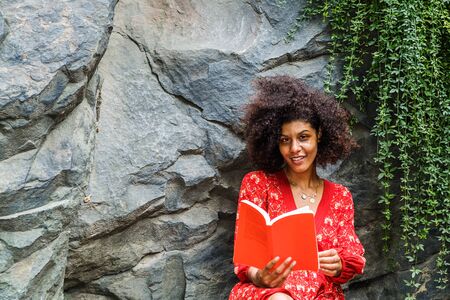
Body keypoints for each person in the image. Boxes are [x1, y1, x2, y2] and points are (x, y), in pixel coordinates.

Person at [229, 76, 365, 300]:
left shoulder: (340, 196)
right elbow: (244, 259)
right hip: (268, 293)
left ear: (319, 135)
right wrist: (259, 276)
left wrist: (339, 265)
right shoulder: (257, 184)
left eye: (303, 137)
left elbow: (353, 258)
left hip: (321, 294)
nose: (295, 149)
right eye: (285, 140)